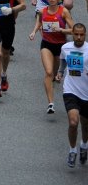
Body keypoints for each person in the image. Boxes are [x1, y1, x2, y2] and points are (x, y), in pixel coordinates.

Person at [29, 0, 74, 114]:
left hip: (60, 46)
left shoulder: (63, 11)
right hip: (47, 44)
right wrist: (33, 32)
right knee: (48, 72)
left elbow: (74, 29)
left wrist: (62, 30)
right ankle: (50, 103)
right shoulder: (42, 11)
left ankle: (56, 77)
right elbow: (39, 23)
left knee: (54, 74)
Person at [58, 22, 88, 168]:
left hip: (86, 92)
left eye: (81, 35)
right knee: (73, 122)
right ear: (72, 34)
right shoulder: (65, 47)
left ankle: (84, 144)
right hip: (71, 90)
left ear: (85, 35)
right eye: (76, 34)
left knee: (85, 124)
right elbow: (63, 61)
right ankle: (72, 150)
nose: (78, 37)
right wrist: (60, 72)